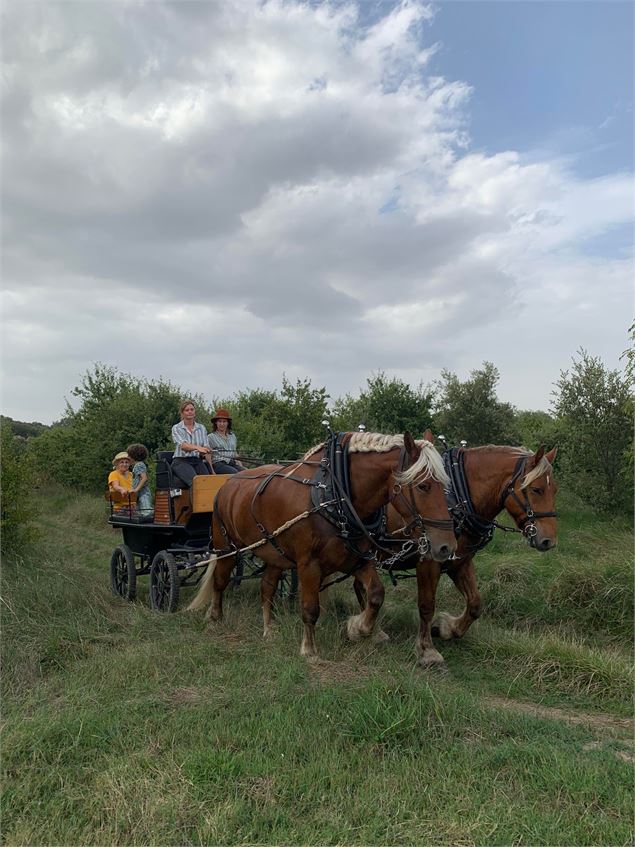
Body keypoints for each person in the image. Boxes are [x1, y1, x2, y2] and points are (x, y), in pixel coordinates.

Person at [171, 399, 212, 487]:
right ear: (182, 413)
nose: (190, 412)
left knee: (208, 483)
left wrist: (205, 451)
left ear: (195, 412)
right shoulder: (176, 428)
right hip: (181, 461)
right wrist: (198, 448)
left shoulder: (202, 428)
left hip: (197, 460)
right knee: (195, 483)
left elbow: (205, 447)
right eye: (187, 410)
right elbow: (183, 446)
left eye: (192, 409)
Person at [208, 408, 244, 474]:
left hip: (232, 463)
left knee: (246, 473)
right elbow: (208, 455)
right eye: (220, 421)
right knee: (235, 473)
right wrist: (212, 471)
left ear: (228, 423)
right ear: (216, 422)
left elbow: (235, 453)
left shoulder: (232, 436)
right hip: (218, 464)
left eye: (224, 421)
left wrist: (241, 467)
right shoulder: (211, 437)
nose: (222, 424)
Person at [127, 443, 153, 516]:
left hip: (143, 493)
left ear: (133, 456)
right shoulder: (137, 465)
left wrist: (136, 490)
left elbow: (144, 478)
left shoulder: (139, 465)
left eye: (129, 455)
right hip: (138, 493)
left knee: (146, 511)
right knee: (140, 512)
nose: (128, 457)